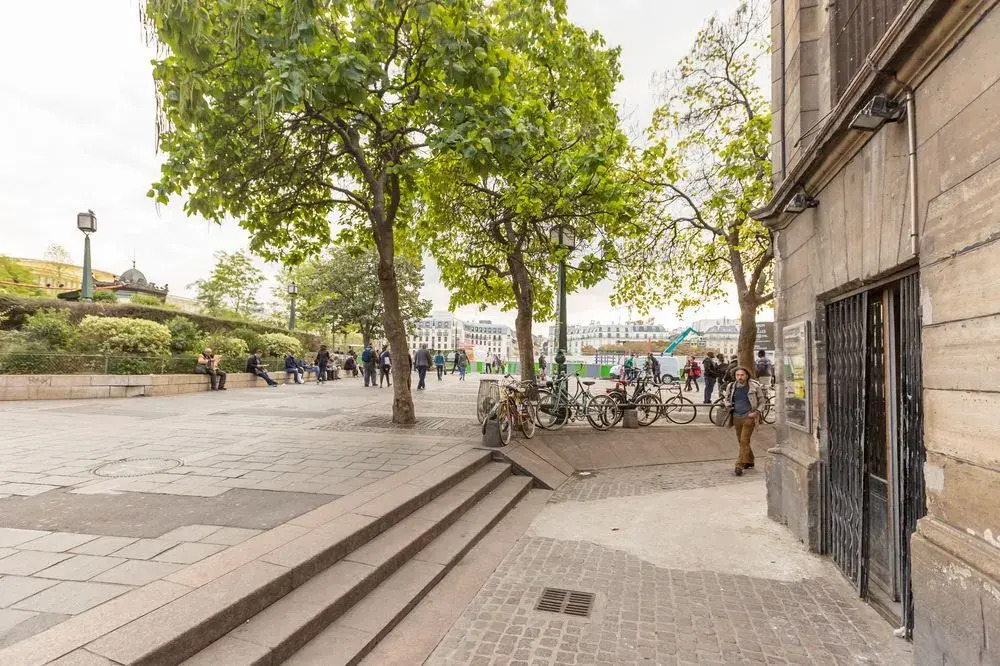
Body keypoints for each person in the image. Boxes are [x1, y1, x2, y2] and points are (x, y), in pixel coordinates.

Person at [723, 367, 766, 476]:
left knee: (744, 440)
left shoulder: (754, 386)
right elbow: (726, 399)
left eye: (742, 375)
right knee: (742, 441)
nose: (740, 377)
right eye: (737, 375)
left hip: (749, 417)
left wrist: (756, 412)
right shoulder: (731, 386)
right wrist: (728, 405)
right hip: (736, 417)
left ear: (747, 376)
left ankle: (739, 464)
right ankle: (749, 460)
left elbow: (762, 401)